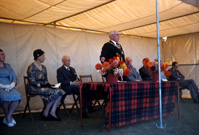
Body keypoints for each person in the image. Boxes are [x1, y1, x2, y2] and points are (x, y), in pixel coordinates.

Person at [27, 49, 65, 121]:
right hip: (34, 88)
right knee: (54, 92)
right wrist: (42, 85)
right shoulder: (31, 67)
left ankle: (52, 112)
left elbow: (45, 80)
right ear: (38, 57)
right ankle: (45, 112)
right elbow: (32, 81)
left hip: (43, 88)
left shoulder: (43, 67)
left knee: (61, 91)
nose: (44, 57)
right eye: (43, 56)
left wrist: (49, 85)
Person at [0, 49, 22, 127]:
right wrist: (4, 86)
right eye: (1, 54)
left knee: (17, 97)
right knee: (5, 98)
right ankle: (8, 118)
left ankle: (8, 116)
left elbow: (14, 77)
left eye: (4, 54)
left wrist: (13, 84)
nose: (4, 56)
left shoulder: (8, 66)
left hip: (10, 86)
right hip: (0, 86)